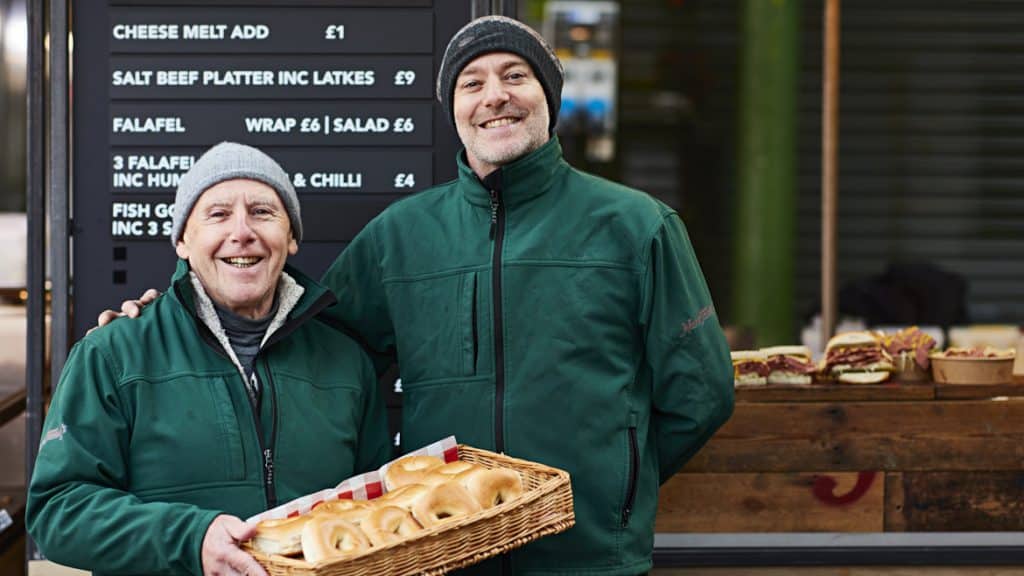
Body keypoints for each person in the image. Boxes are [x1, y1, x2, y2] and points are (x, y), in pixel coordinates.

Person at [102, 16, 734, 575]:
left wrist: (615, 482)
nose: (495, 96)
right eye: (472, 83)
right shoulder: (399, 237)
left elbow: (700, 392)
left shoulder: (636, 226)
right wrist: (169, 321)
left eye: (515, 76)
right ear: (454, 109)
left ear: (549, 96)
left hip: (587, 556)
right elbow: (299, 342)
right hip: (435, 558)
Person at [29, 142, 391, 576]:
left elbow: (377, 508)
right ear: (182, 240)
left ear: (291, 237)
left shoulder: (345, 361)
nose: (242, 232)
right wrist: (191, 539)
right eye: (218, 214)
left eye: (262, 212)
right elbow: (58, 511)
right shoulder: (112, 354)